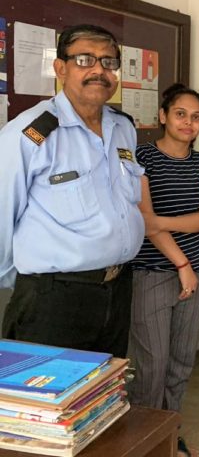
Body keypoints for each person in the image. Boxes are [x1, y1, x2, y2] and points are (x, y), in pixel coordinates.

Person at [0, 24, 143, 357]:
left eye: (108, 62)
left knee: (105, 387)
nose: (98, 70)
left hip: (117, 290)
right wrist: (31, 286)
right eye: (84, 59)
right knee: (48, 389)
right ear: (60, 68)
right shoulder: (30, 133)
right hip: (54, 299)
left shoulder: (123, 128)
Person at [127, 84, 199, 457]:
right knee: (151, 365)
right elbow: (144, 221)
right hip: (151, 272)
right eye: (181, 114)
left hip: (196, 272)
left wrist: (160, 221)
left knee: (181, 362)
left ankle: (169, 434)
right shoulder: (141, 158)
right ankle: (143, 443)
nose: (188, 122)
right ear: (163, 115)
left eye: (196, 117)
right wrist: (181, 263)